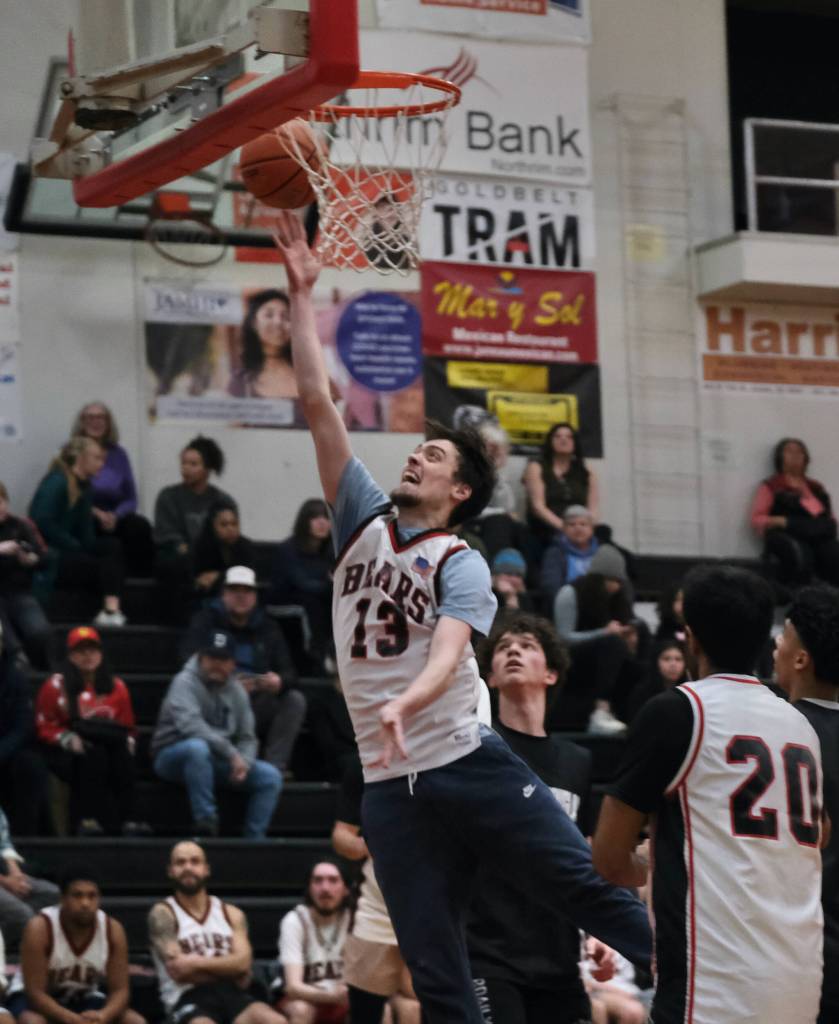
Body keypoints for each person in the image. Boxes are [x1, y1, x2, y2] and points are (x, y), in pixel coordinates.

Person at [271, 210, 651, 1023]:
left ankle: (693, 971)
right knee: (437, 964)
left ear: (461, 493)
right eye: (418, 450)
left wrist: (409, 697)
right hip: (387, 779)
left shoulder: (461, 561)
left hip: (457, 754)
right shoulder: (361, 518)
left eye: (434, 457)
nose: (416, 455)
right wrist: (302, 295)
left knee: (575, 884)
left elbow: (448, 651)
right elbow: (315, 400)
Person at [592, 565, 824, 1024]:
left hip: (717, 985)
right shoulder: (801, 724)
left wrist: (651, 858)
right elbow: (821, 835)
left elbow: (609, 859)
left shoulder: (678, 711)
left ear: (691, 638)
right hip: (800, 980)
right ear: (765, 637)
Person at [467, 611, 619, 1024]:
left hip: (558, 958)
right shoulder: (474, 749)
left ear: (551, 674)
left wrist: (598, 928)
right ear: (491, 679)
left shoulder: (576, 762)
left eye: (527, 645)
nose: (513, 649)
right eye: (503, 648)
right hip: (487, 955)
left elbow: (584, 856)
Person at [773, 584, 839, 1024]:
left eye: (784, 636)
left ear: (801, 659)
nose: (775, 645)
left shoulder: (775, 735)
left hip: (797, 950)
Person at [152, 629, 282, 837]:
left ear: (233, 663)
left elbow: (248, 736)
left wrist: (245, 763)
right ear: (201, 658)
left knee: (271, 776)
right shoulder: (184, 682)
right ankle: (206, 823)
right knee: (197, 748)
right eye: (212, 658)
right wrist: (232, 754)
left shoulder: (237, 690)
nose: (217, 665)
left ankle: (254, 840)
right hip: (173, 756)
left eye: (223, 660)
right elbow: (191, 727)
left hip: (217, 761)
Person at [181, 567, 305, 774]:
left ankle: (274, 767)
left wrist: (278, 681)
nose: (241, 596)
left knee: (294, 699)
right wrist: (224, 680)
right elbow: (186, 659)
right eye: (234, 590)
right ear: (223, 594)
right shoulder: (206, 620)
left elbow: (290, 672)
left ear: (255, 596)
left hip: (256, 698)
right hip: (214, 697)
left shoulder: (268, 627)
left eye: (247, 591)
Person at [148, 841, 288, 1024]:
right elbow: (179, 970)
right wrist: (230, 968)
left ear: (206, 869)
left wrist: (195, 963)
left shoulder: (231, 913)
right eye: (180, 863)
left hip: (232, 994)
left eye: (195, 861)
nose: (188, 867)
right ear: (170, 871)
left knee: (275, 1020)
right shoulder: (163, 914)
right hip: (186, 997)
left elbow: (244, 965)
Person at [331, 758, 421, 1024]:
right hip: (377, 908)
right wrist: (373, 845)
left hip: (435, 905)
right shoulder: (364, 762)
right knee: (366, 1011)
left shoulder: (451, 753)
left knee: (432, 1005)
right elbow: (341, 836)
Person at [35, 626, 147, 837]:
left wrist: (129, 742)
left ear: (101, 654)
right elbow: (44, 724)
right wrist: (66, 738)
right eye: (80, 651)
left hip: (109, 746)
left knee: (121, 754)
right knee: (94, 754)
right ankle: (86, 820)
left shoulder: (117, 687)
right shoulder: (55, 686)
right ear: (70, 655)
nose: (88, 656)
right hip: (68, 751)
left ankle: (130, 820)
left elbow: (128, 726)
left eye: (93, 650)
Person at [7, 865, 144, 1024]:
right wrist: (71, 1019)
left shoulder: (112, 929)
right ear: (63, 899)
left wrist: (103, 1015)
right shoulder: (40, 927)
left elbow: (120, 990)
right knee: (33, 1021)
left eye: (92, 896)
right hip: (32, 1000)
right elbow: (35, 993)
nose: (85, 903)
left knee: (134, 1021)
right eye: (77, 896)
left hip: (82, 999)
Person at [29, 438, 126, 627]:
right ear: (80, 457)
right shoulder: (56, 481)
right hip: (52, 553)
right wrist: (74, 545)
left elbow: (86, 533)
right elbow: (42, 521)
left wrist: (89, 545)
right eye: (97, 458)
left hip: (72, 547)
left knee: (112, 547)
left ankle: (111, 610)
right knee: (97, 567)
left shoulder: (86, 487)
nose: (102, 464)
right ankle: (107, 610)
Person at [552, 544, 636, 734]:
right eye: (611, 580)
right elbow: (563, 638)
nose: (615, 586)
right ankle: (600, 709)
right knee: (613, 644)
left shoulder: (617, 599)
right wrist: (604, 633)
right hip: (572, 658)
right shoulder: (570, 593)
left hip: (604, 655)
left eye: (618, 581)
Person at [154, 436, 234, 624]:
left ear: (207, 468)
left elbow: (231, 536)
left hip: (212, 561)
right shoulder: (168, 496)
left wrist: (216, 573)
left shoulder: (223, 501)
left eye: (193, 464)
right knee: (171, 563)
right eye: (183, 463)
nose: (186, 469)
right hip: (179, 559)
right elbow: (166, 535)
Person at [70, 402, 154, 577]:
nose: (96, 422)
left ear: (108, 423)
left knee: (140, 527)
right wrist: (96, 513)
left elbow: (131, 497)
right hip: (85, 515)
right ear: (82, 422)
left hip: (115, 516)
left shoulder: (119, 454)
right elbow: (70, 494)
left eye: (101, 417)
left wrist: (116, 515)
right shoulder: (71, 452)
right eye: (90, 417)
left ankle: (139, 584)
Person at [751, 436, 839, 587]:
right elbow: (757, 519)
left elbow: (827, 521)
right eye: (789, 451)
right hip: (786, 536)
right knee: (801, 554)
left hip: (814, 534)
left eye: (799, 452)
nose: (795, 456)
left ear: (806, 458)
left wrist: (786, 521)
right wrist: (775, 521)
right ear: (779, 457)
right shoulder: (772, 486)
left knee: (833, 553)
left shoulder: (816, 487)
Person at [276, 861, 352, 1024]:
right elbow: (293, 987)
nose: (325, 888)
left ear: (346, 889)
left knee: (382, 1009)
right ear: (309, 888)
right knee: (301, 1010)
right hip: (305, 998)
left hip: (343, 1000)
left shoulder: (354, 920)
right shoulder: (294, 920)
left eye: (333, 880)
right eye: (318, 881)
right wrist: (331, 996)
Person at [268, 499, 334, 671]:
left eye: (326, 518)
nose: (322, 523)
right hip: (282, 602)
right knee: (310, 604)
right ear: (304, 522)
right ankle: (315, 657)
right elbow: (302, 584)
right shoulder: (288, 549)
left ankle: (335, 656)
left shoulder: (330, 551)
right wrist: (329, 583)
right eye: (315, 518)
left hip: (314, 598)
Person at [0, 618, 50, 837]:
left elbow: (22, 725)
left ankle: (24, 839)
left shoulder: (14, 677)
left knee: (30, 765)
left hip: (6, 751)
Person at [0, 482, 50, 669]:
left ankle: (42, 666)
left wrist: (30, 559)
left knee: (39, 631)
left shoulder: (21, 525)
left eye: (2, 501)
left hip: (19, 591)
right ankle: (16, 656)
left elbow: (43, 557)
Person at [524, 423, 599, 546]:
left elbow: (593, 509)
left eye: (569, 437)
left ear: (575, 443)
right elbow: (538, 507)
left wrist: (585, 529)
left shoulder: (587, 472)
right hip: (547, 527)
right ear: (550, 441)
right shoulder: (536, 467)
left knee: (604, 535)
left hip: (581, 528)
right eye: (557, 436)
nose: (563, 439)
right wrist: (566, 528)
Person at [0, 806, 58, 951]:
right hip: (2, 880)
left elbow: (4, 843)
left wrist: (16, 875)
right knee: (23, 914)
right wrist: (6, 882)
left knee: (53, 894)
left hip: (4, 873)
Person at [229, 289, 297, 399]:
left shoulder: (311, 375)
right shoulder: (241, 382)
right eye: (269, 315)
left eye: (286, 317)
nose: (278, 322)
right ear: (254, 323)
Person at [192, 503, 257, 601]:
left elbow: (247, 576)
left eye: (234, 524)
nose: (230, 529)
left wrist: (218, 577)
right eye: (224, 524)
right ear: (212, 526)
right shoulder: (200, 547)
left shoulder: (246, 547)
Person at [539, 505, 599, 609]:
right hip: (567, 606)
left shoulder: (600, 552)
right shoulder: (555, 553)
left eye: (583, 524)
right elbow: (551, 585)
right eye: (572, 524)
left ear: (591, 529)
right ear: (563, 529)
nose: (578, 528)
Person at [624, 639, 688, 723]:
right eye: (666, 659)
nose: (673, 664)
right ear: (656, 662)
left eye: (678, 659)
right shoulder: (642, 693)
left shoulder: (689, 693)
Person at [489, 548, 536, 616]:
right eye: (508, 574)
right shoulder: (485, 595)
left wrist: (511, 598)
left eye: (518, 575)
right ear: (495, 576)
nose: (513, 579)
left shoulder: (525, 599)